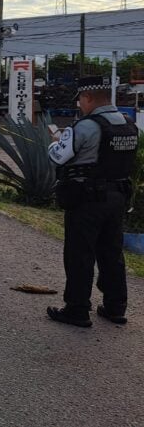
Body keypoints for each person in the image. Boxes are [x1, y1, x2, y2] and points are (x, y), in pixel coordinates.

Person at [46, 76, 139, 328]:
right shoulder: (128, 124)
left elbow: (59, 157)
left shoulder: (87, 126)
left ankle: (77, 309)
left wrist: (55, 142)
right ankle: (115, 307)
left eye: (80, 101)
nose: (79, 105)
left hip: (87, 199)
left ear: (88, 98)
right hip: (118, 196)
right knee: (112, 253)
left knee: (80, 253)